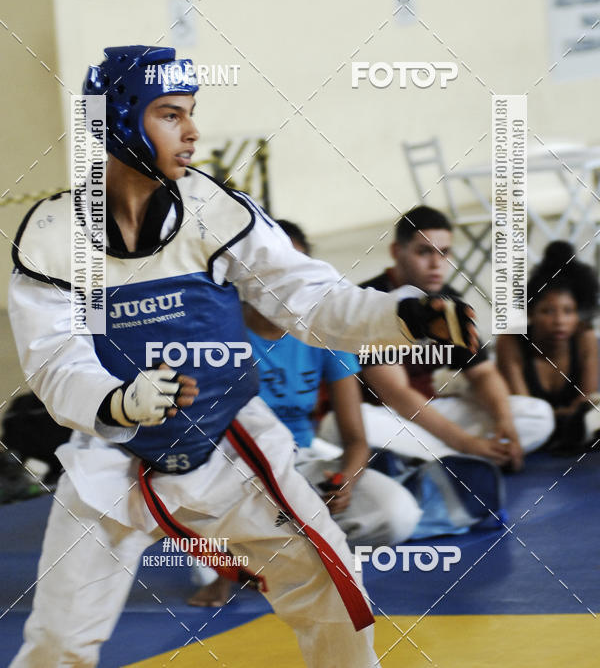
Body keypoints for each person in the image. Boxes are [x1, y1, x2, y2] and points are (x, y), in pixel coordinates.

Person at [8, 46, 477, 668]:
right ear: (118, 120)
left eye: (193, 112)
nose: (194, 131)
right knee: (58, 643)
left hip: (230, 445)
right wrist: (118, 401)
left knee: (334, 591)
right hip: (109, 458)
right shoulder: (52, 236)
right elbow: (52, 361)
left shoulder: (215, 211)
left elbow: (310, 299)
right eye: (171, 114)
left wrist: (403, 315)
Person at [189, 219, 422, 608]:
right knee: (217, 526)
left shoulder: (326, 333)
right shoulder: (219, 334)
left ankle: (282, 552)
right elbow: (202, 443)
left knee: (396, 514)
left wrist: (346, 480)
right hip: (238, 475)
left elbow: (355, 439)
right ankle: (256, 554)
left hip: (304, 463)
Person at [320, 206, 554, 470]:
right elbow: (396, 394)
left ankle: (439, 461)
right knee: (335, 427)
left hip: (432, 414)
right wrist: (466, 442)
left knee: (537, 415)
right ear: (397, 252)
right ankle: (468, 458)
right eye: (424, 252)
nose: (436, 264)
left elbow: (483, 374)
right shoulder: (372, 301)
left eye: (444, 253)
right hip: (386, 418)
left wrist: (505, 422)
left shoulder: (450, 302)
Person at [497, 241, 600, 452]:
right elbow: (525, 411)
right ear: (530, 313)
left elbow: (586, 404)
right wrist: (567, 415)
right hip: (532, 428)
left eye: (568, 311)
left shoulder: (584, 335)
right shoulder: (510, 340)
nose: (559, 321)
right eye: (548, 311)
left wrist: (578, 413)